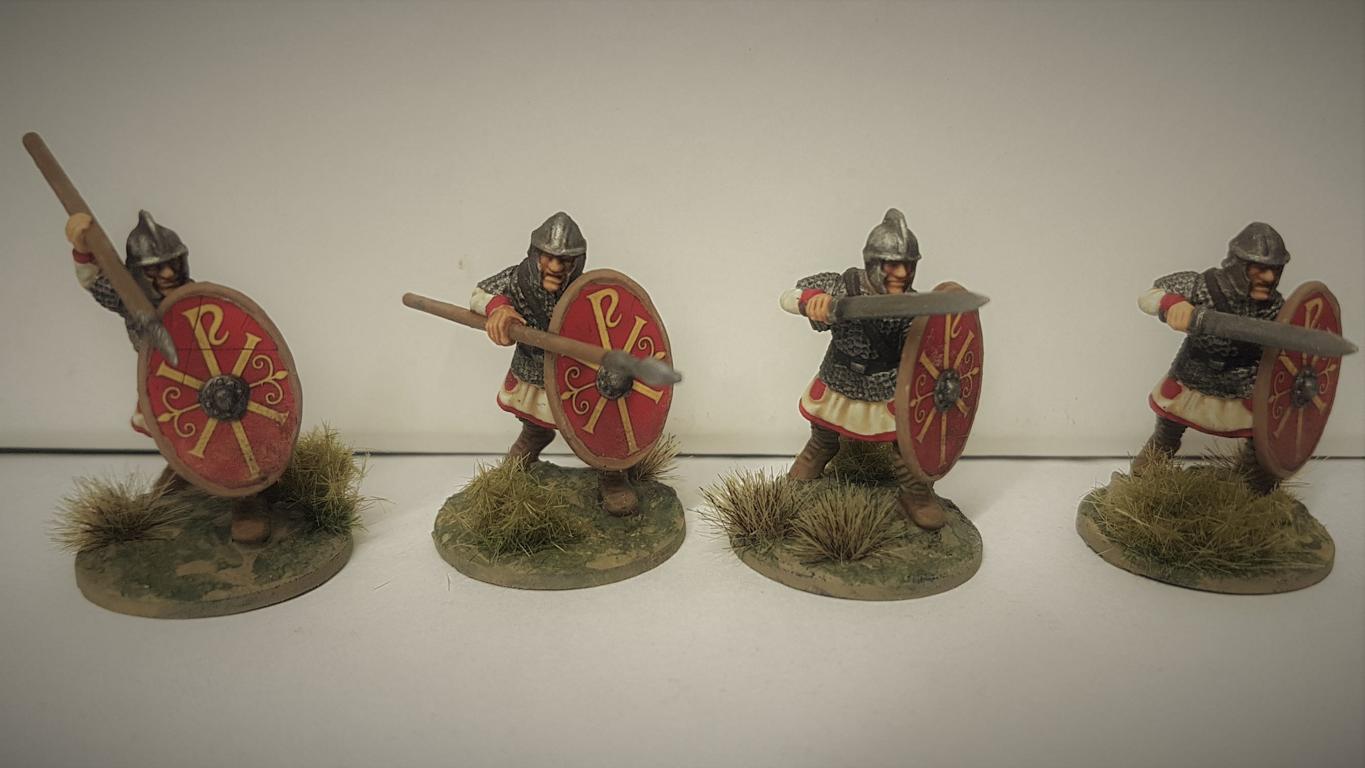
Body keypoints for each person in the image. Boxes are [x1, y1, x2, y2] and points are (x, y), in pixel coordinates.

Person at [66, 210, 272, 543]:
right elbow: (97, 282)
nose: (168, 272)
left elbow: (233, 332)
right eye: (155, 268)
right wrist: (82, 249)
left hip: (222, 384)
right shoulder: (131, 301)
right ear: (139, 272)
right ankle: (184, 472)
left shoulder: (200, 297)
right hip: (171, 388)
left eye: (173, 263)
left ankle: (246, 499)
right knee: (178, 438)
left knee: (235, 440)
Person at [780, 208, 946, 530]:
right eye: (892, 264)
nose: (901, 273)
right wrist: (814, 302)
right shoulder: (842, 286)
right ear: (872, 262)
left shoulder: (914, 305)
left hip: (888, 382)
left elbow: (929, 352)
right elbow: (789, 296)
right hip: (840, 374)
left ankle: (915, 492)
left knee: (905, 439)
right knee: (824, 421)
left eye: (908, 265)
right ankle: (821, 448)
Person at [471, 212, 638, 515]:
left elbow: (615, 325)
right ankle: (534, 437)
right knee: (534, 414)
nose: (556, 267)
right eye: (549, 257)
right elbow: (481, 292)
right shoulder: (517, 279)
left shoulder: (589, 291)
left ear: (578, 261)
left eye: (565, 260)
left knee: (600, 425)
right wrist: (499, 310)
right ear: (535, 253)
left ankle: (612, 474)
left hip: (582, 373)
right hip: (534, 365)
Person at [1132, 221, 1289, 493]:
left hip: (1245, 381)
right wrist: (1173, 304)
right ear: (1237, 264)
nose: (1268, 277)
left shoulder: (1276, 306)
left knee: (1260, 434)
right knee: (1169, 428)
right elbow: (1149, 295)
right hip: (1193, 373)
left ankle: (1254, 487)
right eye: (1259, 268)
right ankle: (1145, 474)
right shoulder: (1200, 285)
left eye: (1274, 269)